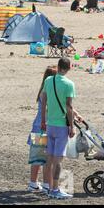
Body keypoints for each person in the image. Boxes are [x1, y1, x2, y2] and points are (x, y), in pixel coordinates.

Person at [40, 58, 83, 199]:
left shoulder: (48, 81)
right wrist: (71, 127)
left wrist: (43, 120)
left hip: (50, 124)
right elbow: (69, 107)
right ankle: (55, 189)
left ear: (58, 67)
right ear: (68, 68)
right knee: (58, 160)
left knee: (49, 158)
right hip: (60, 126)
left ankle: (48, 186)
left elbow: (44, 101)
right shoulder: (69, 84)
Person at [27, 66, 57, 193]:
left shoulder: (43, 90)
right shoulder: (47, 92)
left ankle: (34, 183)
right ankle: (44, 184)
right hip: (43, 127)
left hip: (37, 126)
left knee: (37, 158)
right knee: (44, 158)